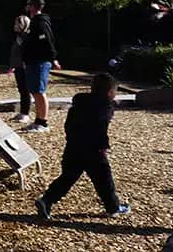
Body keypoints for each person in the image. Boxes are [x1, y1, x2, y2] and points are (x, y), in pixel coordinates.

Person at [35, 73, 130, 219]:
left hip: (74, 146)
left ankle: (47, 200)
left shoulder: (79, 103)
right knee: (104, 180)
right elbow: (100, 126)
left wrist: (71, 138)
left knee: (68, 177)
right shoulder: (105, 106)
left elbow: (68, 124)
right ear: (110, 92)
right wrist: (102, 145)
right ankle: (113, 207)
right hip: (93, 149)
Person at [21, 0, 60, 133]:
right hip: (33, 61)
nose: (26, 6)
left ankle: (43, 122)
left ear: (33, 6)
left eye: (28, 4)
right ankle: (38, 120)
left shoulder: (41, 22)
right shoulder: (33, 22)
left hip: (40, 61)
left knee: (39, 91)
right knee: (35, 91)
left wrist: (53, 57)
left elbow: (47, 40)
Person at [8, 12, 31, 123]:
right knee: (21, 89)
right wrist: (12, 66)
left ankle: (26, 113)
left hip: (24, 67)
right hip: (18, 66)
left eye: (16, 24)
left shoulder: (26, 37)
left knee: (25, 90)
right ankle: (22, 112)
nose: (14, 26)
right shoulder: (19, 37)